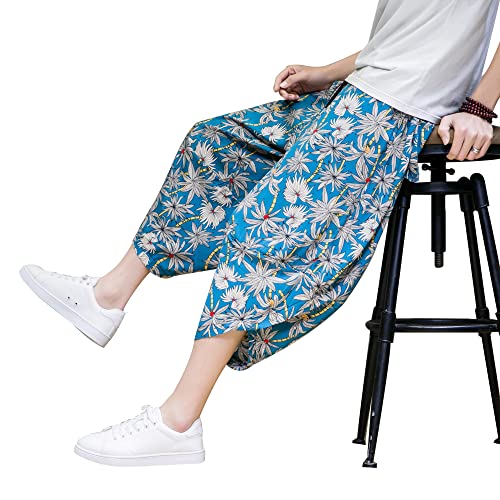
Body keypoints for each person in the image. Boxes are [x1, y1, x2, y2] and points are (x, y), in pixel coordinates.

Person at [19, 0, 500, 466]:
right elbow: (412, 38)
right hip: (358, 94)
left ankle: (178, 423)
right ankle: (107, 296)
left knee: (265, 234)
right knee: (215, 142)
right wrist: (326, 73)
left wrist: (480, 106)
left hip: (397, 114)